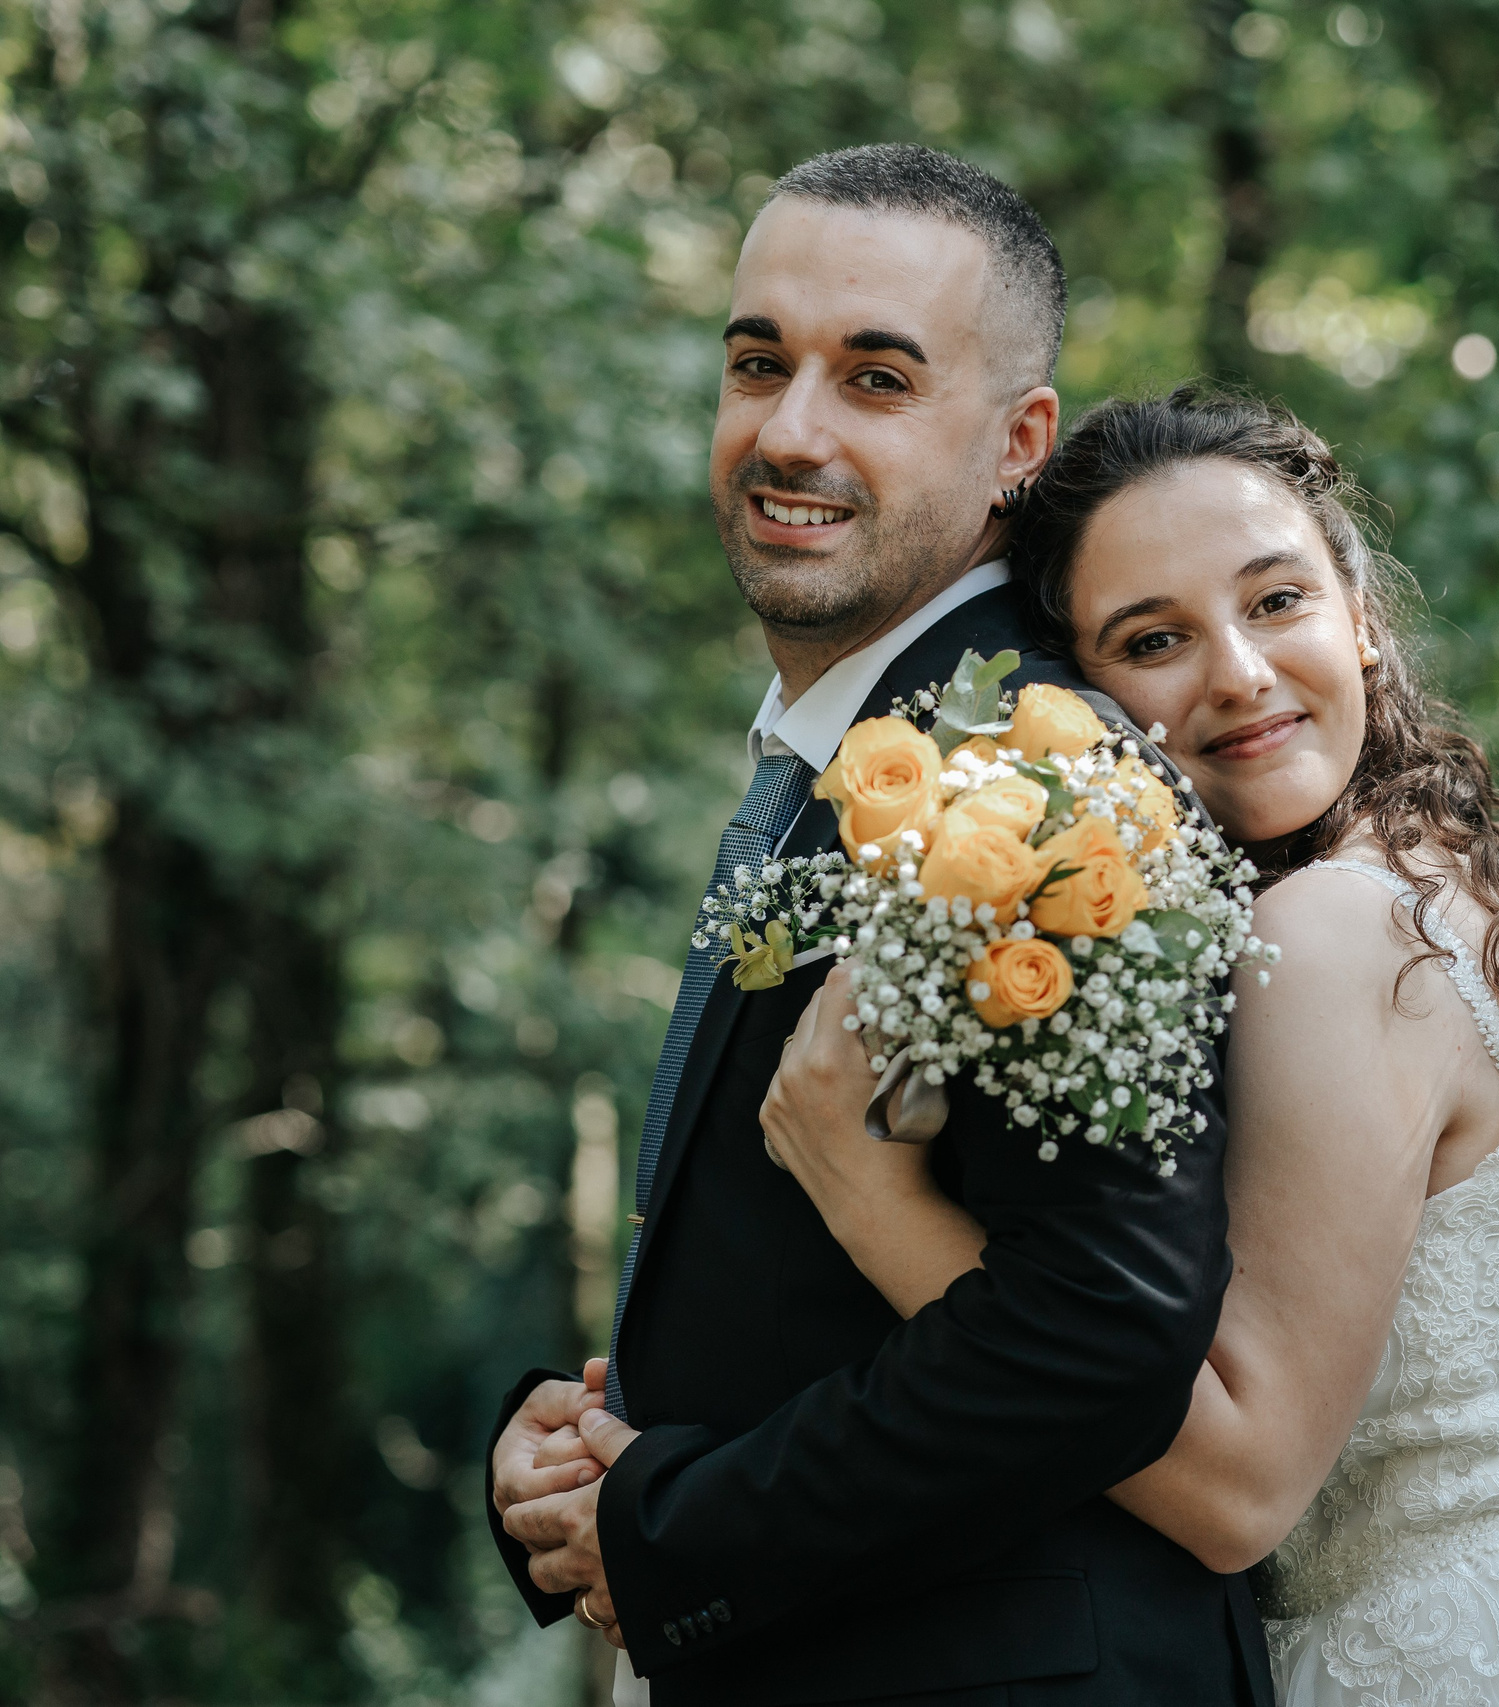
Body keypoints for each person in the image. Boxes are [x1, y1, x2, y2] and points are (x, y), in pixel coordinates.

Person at [762, 390, 1499, 1705]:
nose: (1236, 672)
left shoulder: (1336, 933)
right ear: (1083, 696)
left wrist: (869, 1197)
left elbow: (1241, 1492)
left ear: (1359, 616)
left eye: (1276, 600)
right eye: (1155, 639)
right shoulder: (1450, 882)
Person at [483, 149, 1273, 1707]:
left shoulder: (1045, 787)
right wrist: (567, 1456)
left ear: (1017, 444)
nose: (789, 431)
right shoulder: (848, 749)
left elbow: (1100, 1334)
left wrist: (667, 1530)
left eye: (877, 379)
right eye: (757, 363)